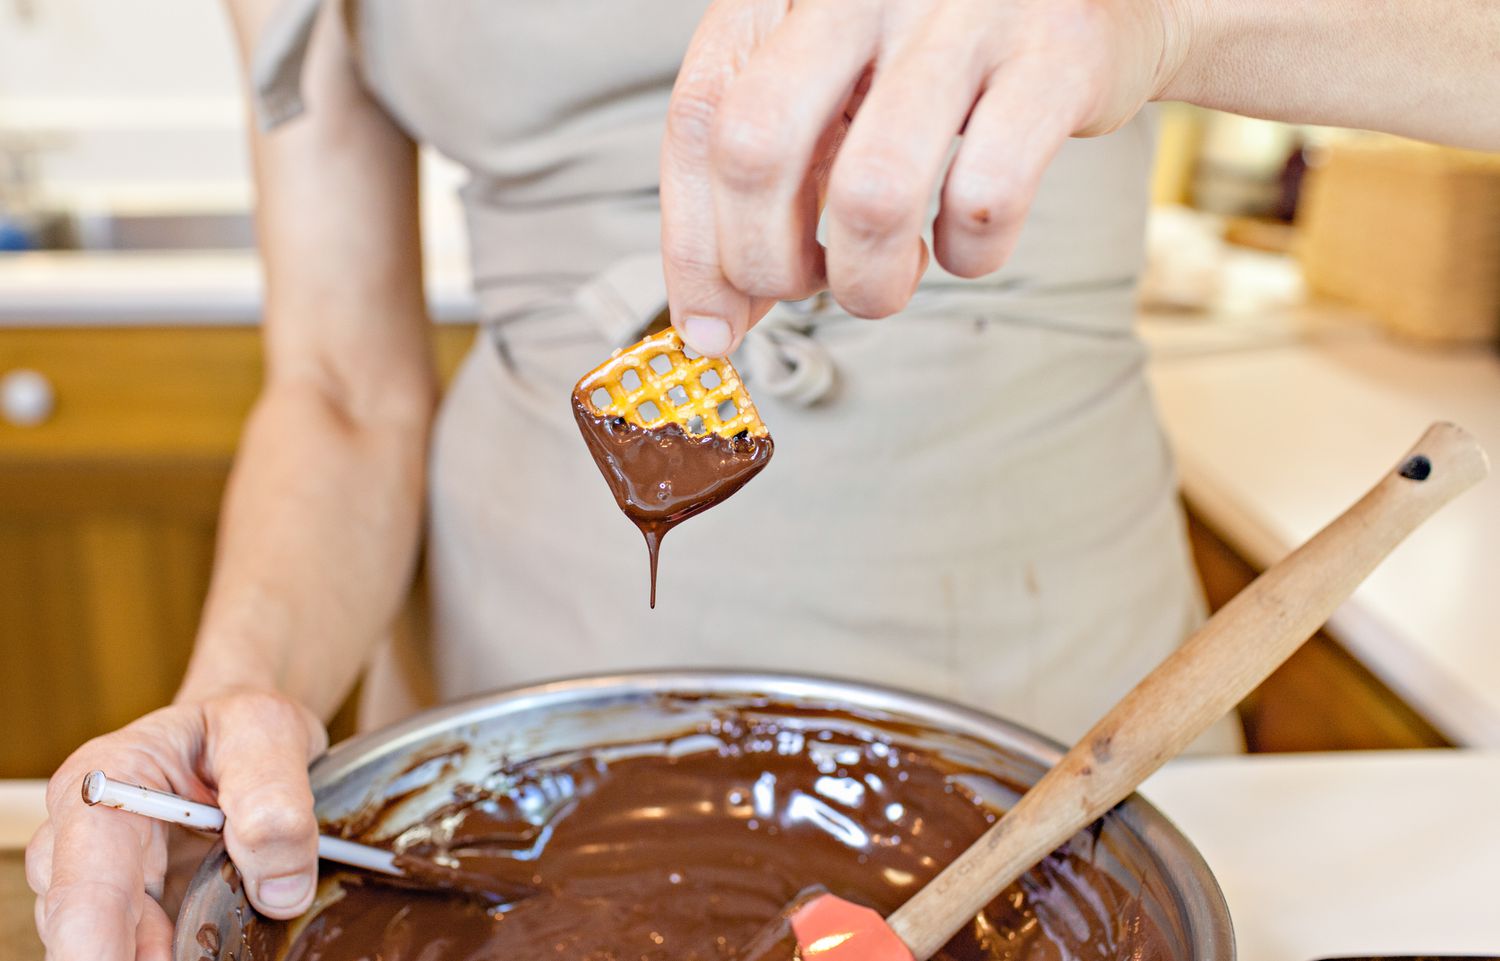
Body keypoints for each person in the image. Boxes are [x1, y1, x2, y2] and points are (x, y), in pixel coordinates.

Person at [27, 0, 1499, 957]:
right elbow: (342, 387)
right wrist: (239, 703)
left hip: (1063, 699)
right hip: (508, 725)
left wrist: (1164, 21)